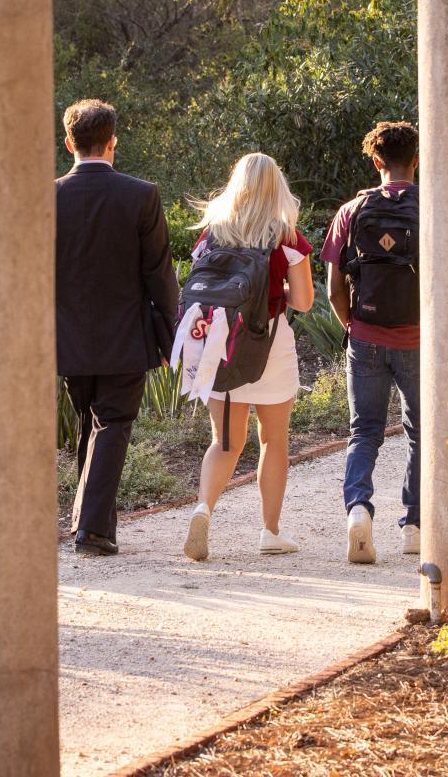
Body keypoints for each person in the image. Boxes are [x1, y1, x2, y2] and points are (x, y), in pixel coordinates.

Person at [55, 99, 180, 557]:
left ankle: (89, 523)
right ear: (113, 143)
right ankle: (92, 530)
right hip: (125, 335)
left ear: (69, 142)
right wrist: (170, 336)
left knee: (93, 424)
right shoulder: (141, 195)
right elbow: (159, 274)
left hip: (66, 337)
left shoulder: (45, 198)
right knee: (112, 424)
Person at [179, 153, 315, 561]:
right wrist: (278, 294)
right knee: (273, 440)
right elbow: (305, 302)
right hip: (270, 345)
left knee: (224, 442)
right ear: (277, 187)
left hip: (221, 346)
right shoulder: (287, 236)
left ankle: (203, 509)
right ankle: (270, 532)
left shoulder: (211, 233)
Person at [322, 121, 422, 564]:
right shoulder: (430, 207)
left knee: (364, 432)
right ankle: (414, 525)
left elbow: (332, 286)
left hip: (365, 336)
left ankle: (359, 509)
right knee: (421, 433)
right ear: (416, 160)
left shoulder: (352, 210)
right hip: (418, 338)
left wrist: (352, 325)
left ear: (376, 162)